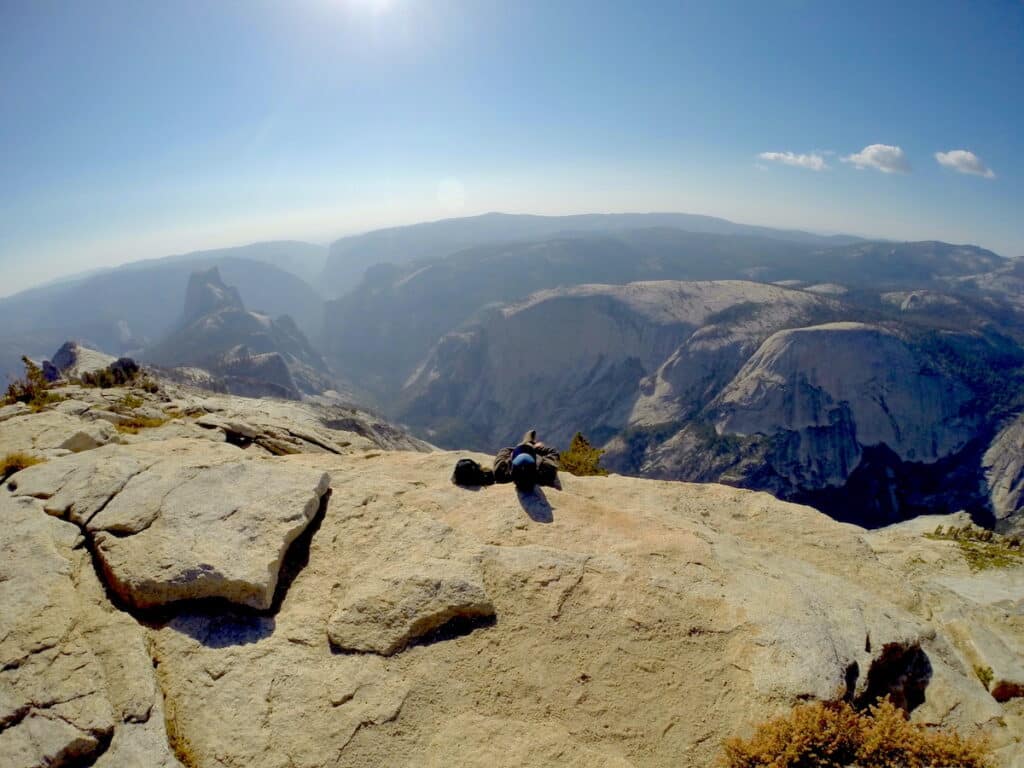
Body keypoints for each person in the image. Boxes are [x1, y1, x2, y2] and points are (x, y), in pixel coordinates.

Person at [493, 429, 560, 490]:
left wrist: (519, 449)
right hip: (535, 454)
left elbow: (504, 451)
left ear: (512, 470)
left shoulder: (501, 473)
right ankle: (529, 443)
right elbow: (553, 452)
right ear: (535, 468)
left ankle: (526, 444)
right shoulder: (546, 473)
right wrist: (535, 448)